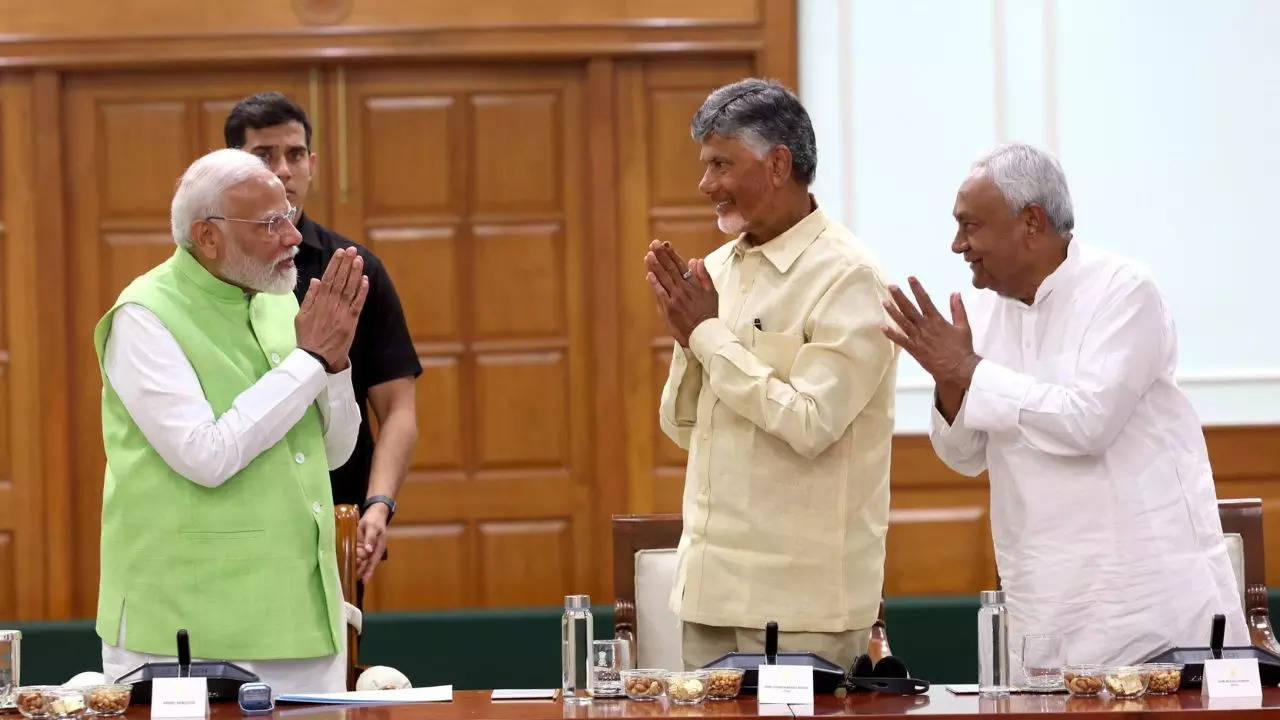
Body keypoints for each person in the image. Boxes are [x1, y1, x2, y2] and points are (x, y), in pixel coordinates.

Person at [881, 142, 1246, 672]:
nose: (958, 244)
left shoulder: (1122, 291)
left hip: (1149, 602)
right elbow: (964, 455)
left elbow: (1087, 423)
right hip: (1045, 602)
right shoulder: (979, 311)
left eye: (971, 226)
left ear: (1031, 222)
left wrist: (968, 371)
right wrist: (949, 379)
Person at [647, 78, 898, 670]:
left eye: (720, 164)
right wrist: (691, 339)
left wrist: (708, 335)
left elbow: (812, 424)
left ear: (779, 163)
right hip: (708, 595)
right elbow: (686, 429)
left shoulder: (848, 277)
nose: (705, 185)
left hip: (803, 609)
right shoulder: (715, 269)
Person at [95, 148, 367, 692]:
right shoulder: (144, 315)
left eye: (288, 215)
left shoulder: (280, 302)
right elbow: (206, 455)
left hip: (303, 615)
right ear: (208, 236)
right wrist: (310, 361)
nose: (293, 237)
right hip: (186, 622)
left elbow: (333, 453)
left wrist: (334, 368)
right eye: (270, 224)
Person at [225, 92, 421, 591]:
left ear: (312, 164)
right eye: (263, 156)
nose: (283, 170)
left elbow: (397, 407)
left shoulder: (354, 269)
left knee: (342, 668)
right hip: (233, 521)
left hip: (335, 520)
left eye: (294, 155)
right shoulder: (214, 274)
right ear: (232, 169)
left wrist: (380, 504)